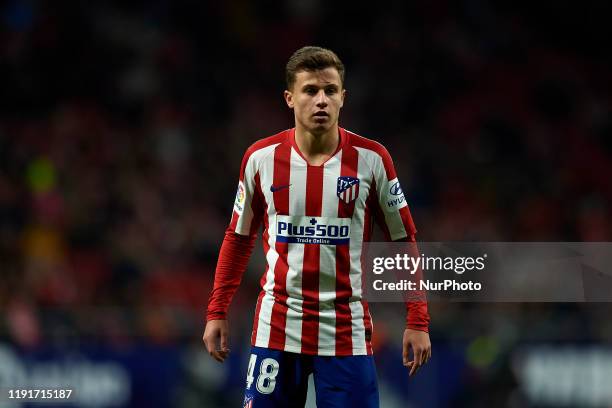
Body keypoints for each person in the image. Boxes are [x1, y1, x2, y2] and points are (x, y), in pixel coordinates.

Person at [203, 46, 431, 408]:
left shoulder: (373, 160)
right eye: (310, 90)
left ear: (343, 97)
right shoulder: (260, 159)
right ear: (290, 98)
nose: (321, 100)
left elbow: (404, 240)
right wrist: (217, 311)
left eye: (330, 90)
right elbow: (238, 237)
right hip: (277, 329)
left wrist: (417, 318)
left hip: (346, 332)